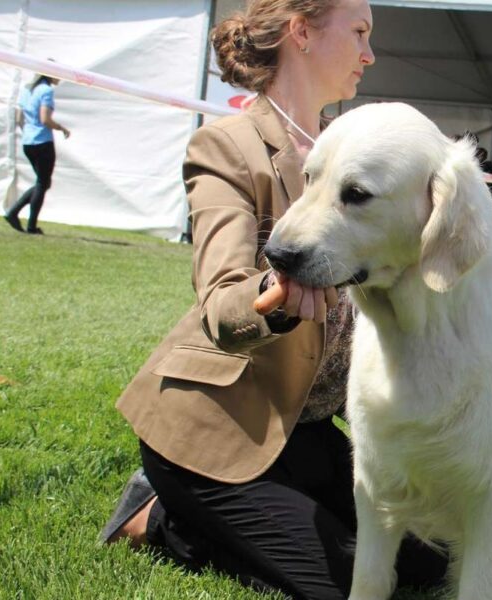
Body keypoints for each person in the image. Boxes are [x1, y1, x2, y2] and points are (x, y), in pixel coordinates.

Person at [99, 2, 446, 598]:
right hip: (212, 425)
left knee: (428, 564)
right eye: (360, 33)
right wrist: (276, 292)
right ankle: (157, 515)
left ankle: (208, 513)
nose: (370, 54)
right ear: (302, 32)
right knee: (347, 587)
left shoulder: (355, 149)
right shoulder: (228, 146)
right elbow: (220, 303)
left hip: (299, 426)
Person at [4, 69, 71, 234]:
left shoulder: (27, 89)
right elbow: (44, 119)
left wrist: (27, 131)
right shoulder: (46, 90)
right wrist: (61, 128)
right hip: (42, 141)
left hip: (28, 141)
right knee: (42, 183)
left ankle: (14, 212)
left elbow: (19, 117)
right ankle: (30, 224)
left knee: (42, 182)